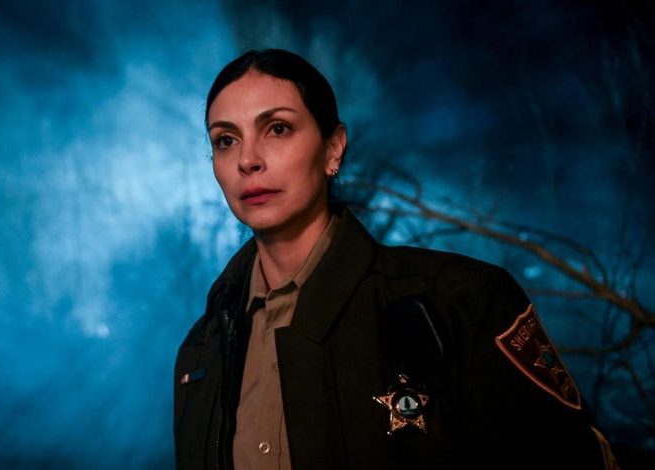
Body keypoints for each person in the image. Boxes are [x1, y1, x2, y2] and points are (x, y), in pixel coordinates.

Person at [173, 49, 617, 469]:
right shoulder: (202, 352)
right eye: (226, 140)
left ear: (333, 148)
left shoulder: (460, 301)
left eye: (278, 128)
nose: (248, 160)